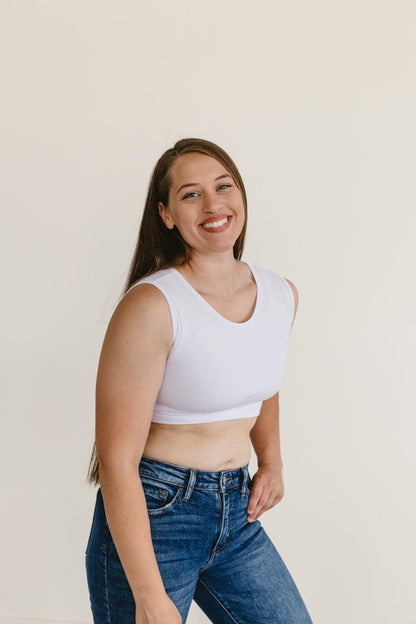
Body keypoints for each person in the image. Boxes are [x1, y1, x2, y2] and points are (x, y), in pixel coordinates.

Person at [84, 137, 314, 624]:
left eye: (223, 186)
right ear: (166, 214)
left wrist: (271, 462)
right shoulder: (152, 307)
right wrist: (148, 595)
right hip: (158, 513)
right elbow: (117, 459)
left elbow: (260, 381)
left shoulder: (279, 294)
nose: (213, 205)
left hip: (237, 514)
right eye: (190, 194)